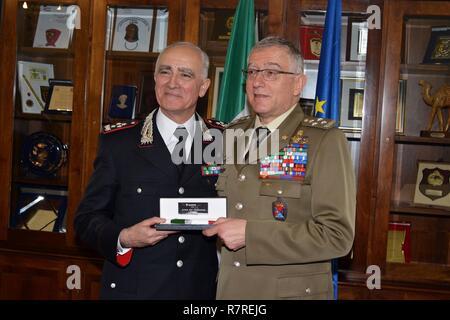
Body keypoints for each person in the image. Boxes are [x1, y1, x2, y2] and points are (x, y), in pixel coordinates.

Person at [203, 36, 356, 300]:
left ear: (298, 83)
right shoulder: (232, 134)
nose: (257, 82)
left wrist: (251, 235)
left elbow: (337, 235)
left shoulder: (323, 140)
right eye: (251, 72)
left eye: (271, 72)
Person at [75, 42, 223, 299]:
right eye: (165, 72)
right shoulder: (119, 143)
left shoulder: (224, 140)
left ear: (203, 87)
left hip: (199, 292)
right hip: (136, 290)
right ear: (155, 79)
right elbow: (86, 219)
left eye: (185, 74)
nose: (172, 82)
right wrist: (124, 237)